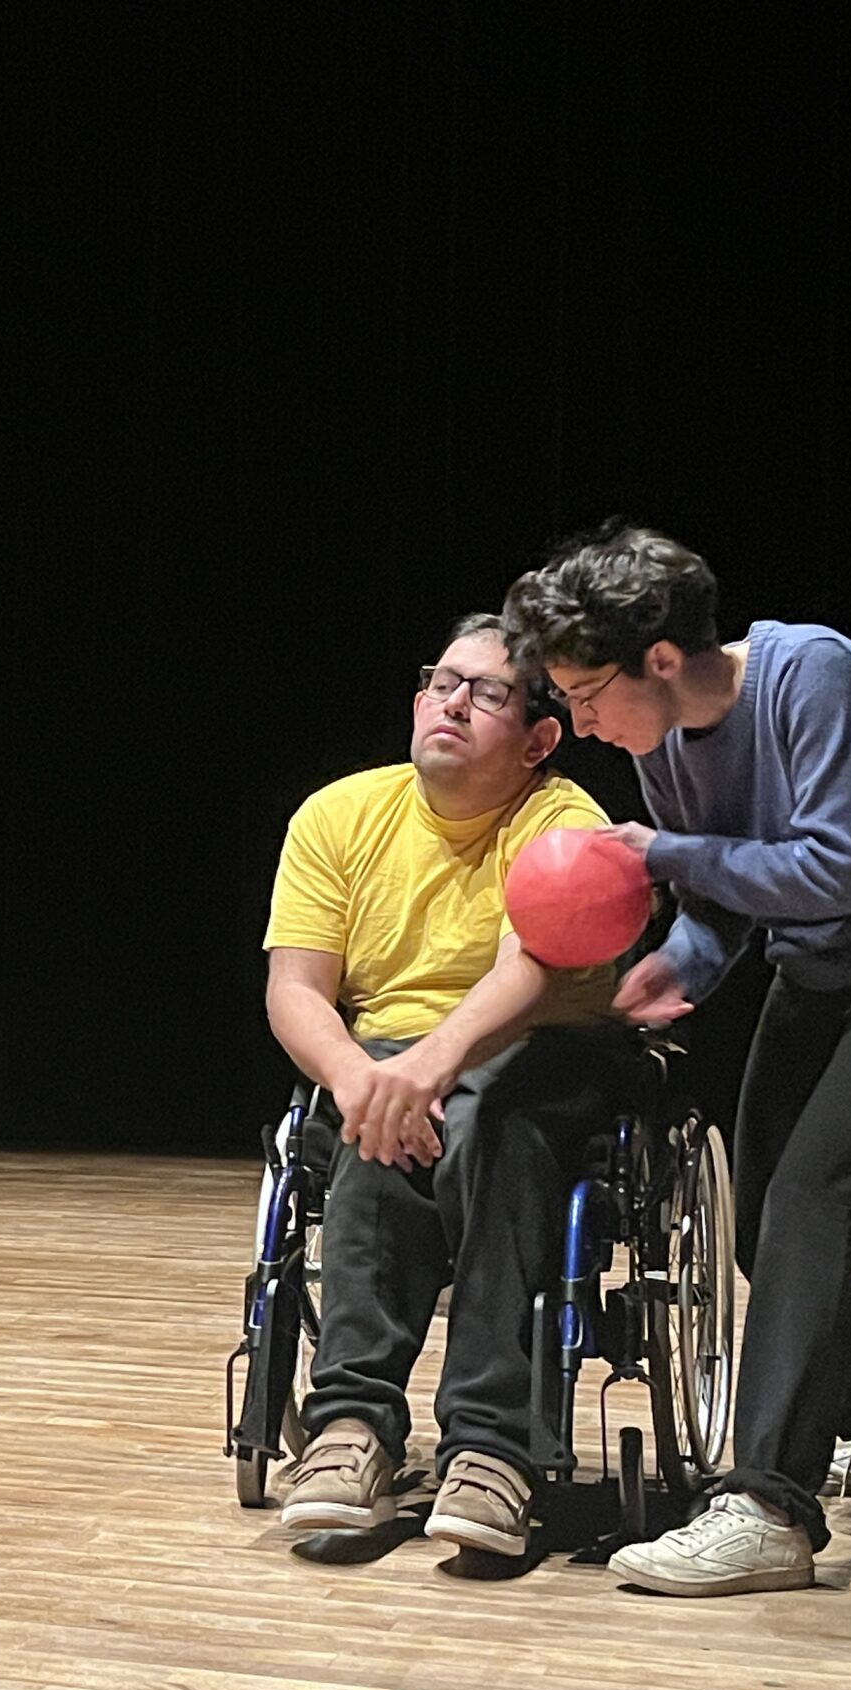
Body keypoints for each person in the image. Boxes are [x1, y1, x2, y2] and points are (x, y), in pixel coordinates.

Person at [505, 525, 851, 1597]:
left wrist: (664, 855)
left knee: (812, 1208)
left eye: (585, 693)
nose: (581, 724)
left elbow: (837, 869)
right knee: (759, 1232)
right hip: (818, 973)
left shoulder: (810, 674)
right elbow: (724, 899)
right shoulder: (664, 748)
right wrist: (680, 962)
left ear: (656, 658)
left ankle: (765, 1508)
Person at [264, 616, 629, 1562]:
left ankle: (492, 1446)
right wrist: (362, 1079)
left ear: (540, 739)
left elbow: (529, 975)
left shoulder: (562, 825)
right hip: (389, 1059)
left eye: (488, 693)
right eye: (441, 681)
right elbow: (295, 990)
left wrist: (426, 1070)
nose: (452, 703)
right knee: (370, 1126)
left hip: (535, 1056)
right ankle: (349, 1429)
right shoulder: (338, 816)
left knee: (493, 1114)